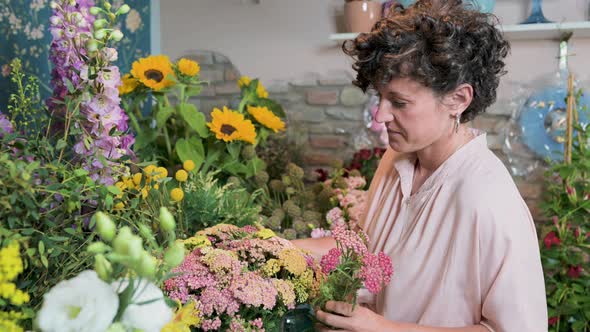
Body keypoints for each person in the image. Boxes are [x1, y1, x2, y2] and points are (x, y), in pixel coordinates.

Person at [292, 0, 548, 331]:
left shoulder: (488, 198)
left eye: (399, 103)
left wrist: (378, 328)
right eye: (380, 98)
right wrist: (273, 247)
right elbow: (364, 251)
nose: (381, 115)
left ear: (458, 99)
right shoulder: (396, 159)